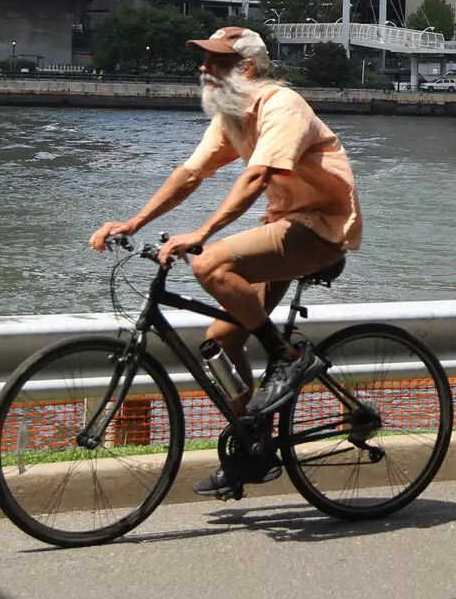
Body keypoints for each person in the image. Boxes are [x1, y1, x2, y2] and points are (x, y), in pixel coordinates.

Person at [89, 25, 362, 492]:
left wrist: (202, 233)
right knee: (220, 342)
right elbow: (191, 172)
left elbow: (258, 177)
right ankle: (256, 446)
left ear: (247, 68)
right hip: (283, 226)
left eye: (216, 61)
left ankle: (284, 356)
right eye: (205, 60)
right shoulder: (233, 115)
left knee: (210, 264)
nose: (204, 69)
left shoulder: (282, 105)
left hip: (320, 228)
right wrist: (131, 223)